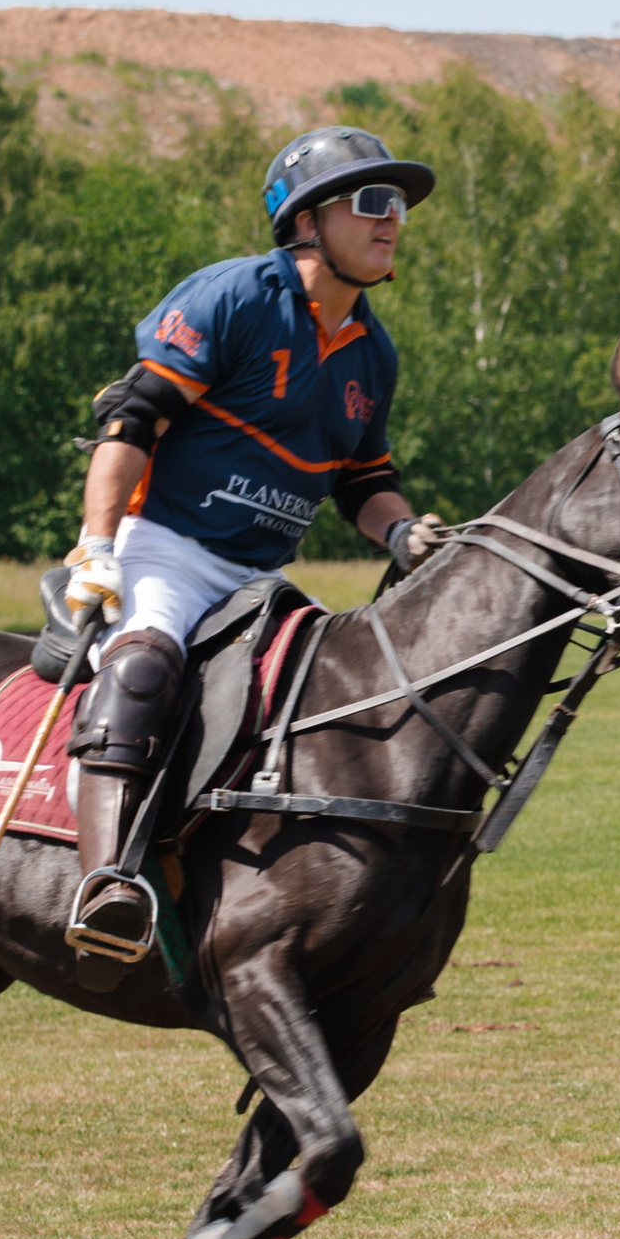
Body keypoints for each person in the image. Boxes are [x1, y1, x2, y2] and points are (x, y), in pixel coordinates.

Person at [61, 127, 450, 963]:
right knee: (143, 666)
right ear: (307, 219)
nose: (394, 221)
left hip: (258, 577)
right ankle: (106, 883)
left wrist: (403, 530)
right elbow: (131, 417)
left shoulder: (372, 352)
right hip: (165, 546)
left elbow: (361, 479)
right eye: (373, 202)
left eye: (401, 208)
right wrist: (96, 546)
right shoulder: (231, 297)